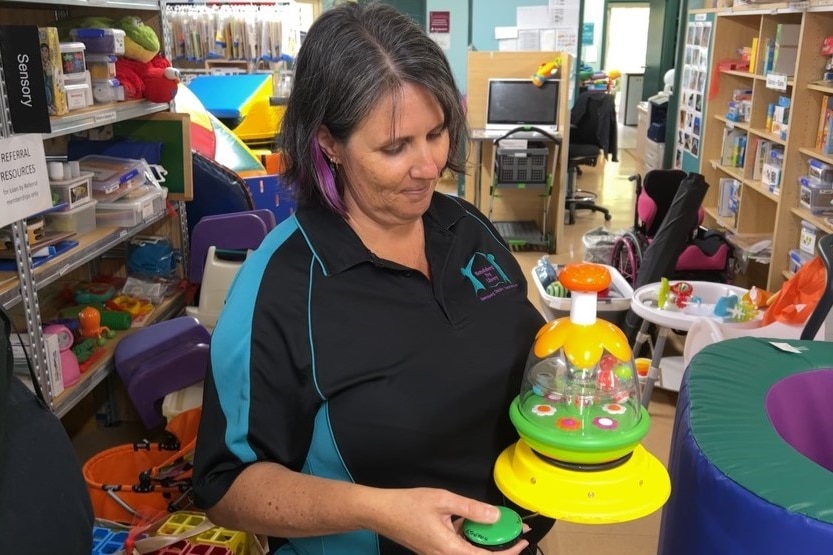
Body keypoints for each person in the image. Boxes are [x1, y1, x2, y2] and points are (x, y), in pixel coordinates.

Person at [193, 2, 553, 553]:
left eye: (436, 134)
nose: (430, 166)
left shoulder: (468, 227)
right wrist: (382, 511)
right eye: (394, 147)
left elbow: (522, 351)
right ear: (328, 144)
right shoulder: (281, 288)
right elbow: (225, 485)